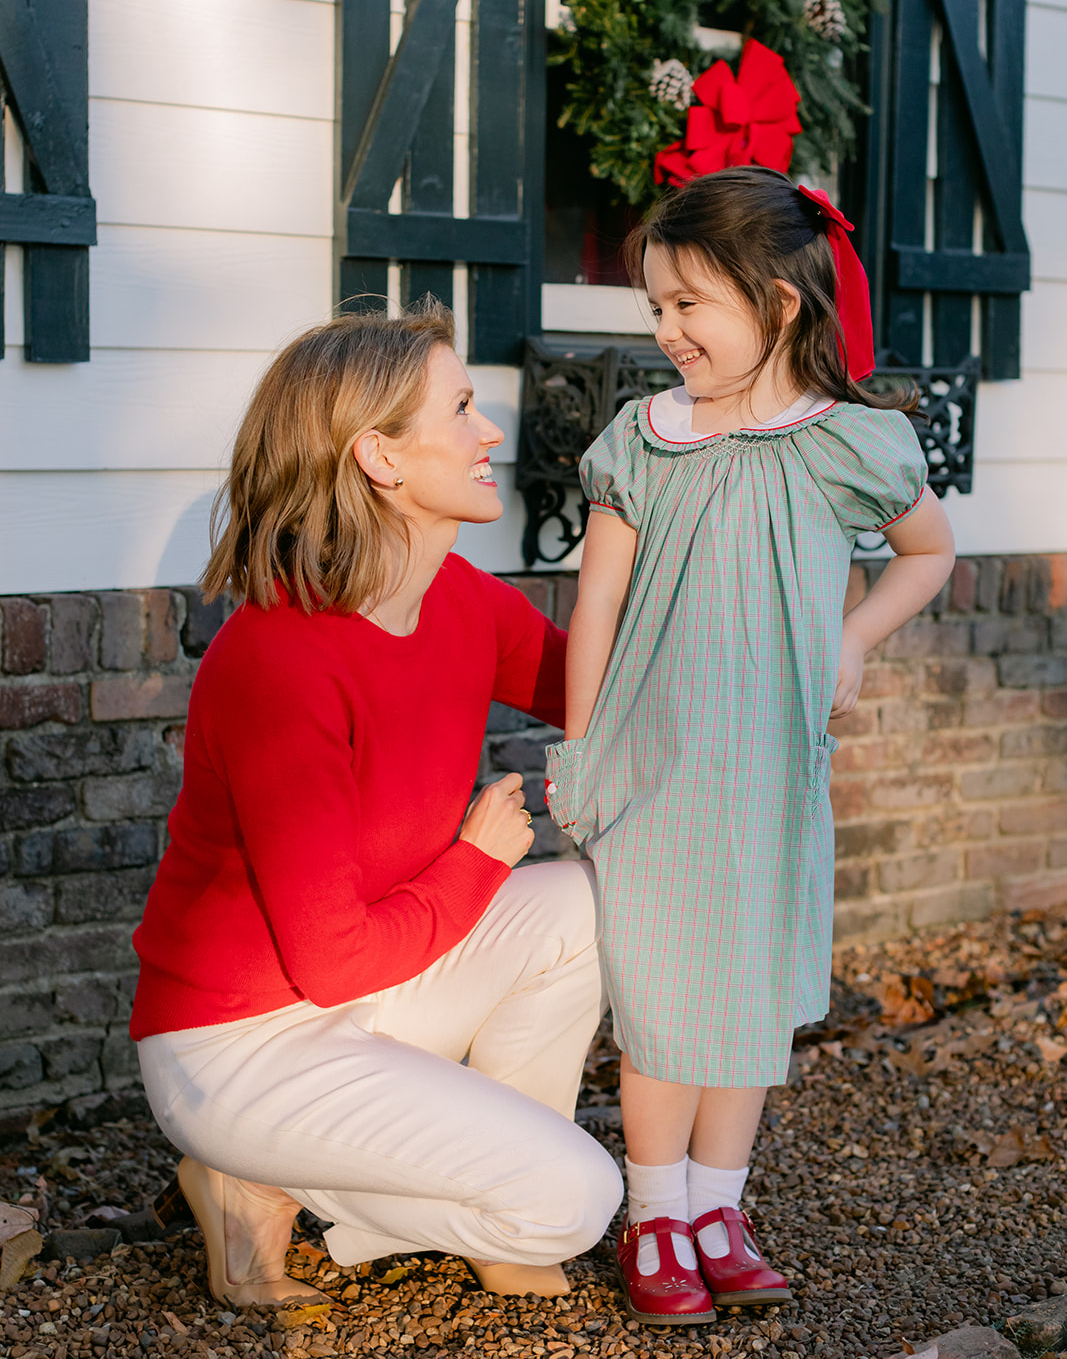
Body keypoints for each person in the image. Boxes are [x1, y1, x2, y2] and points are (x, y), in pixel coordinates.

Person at [131, 300, 623, 1310]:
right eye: (460, 408)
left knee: (584, 901)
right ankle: (254, 1174)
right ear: (380, 460)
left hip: (367, 992)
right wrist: (477, 858)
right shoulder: (278, 661)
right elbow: (330, 959)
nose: (490, 431)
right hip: (240, 1045)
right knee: (581, 1199)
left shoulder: (458, 600)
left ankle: (484, 1171)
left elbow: (603, 687)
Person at [544, 167, 956, 1327]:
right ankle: (656, 1212)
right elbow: (597, 612)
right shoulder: (643, 440)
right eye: (655, 309)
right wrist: (575, 751)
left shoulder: (850, 447)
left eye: (687, 305)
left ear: (777, 304)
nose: (666, 330)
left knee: (745, 999)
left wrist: (853, 635)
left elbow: (928, 555)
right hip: (652, 765)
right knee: (663, 999)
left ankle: (719, 1207)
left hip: (769, 771)